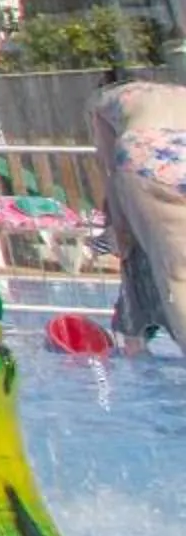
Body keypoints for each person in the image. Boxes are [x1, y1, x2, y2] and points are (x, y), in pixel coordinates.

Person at [88, 81, 186, 355]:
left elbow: (108, 168)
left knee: (178, 276)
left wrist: (118, 223)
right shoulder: (179, 93)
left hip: (149, 153)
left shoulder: (103, 102)